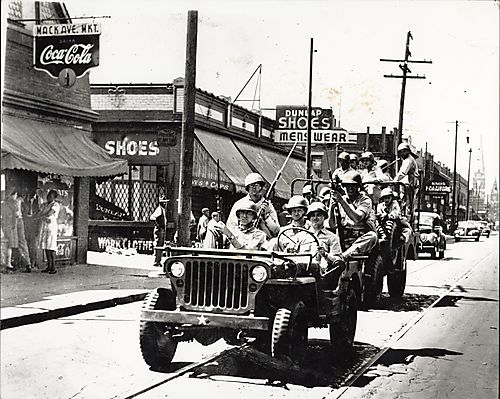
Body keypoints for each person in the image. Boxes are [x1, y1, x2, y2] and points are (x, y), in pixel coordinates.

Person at [329, 170, 378, 260]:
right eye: (347, 186)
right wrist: (331, 207)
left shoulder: (365, 200)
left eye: (353, 186)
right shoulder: (341, 199)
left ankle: (344, 256)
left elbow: (357, 218)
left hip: (360, 240)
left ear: (358, 186)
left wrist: (341, 201)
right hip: (343, 238)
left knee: (372, 236)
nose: (350, 188)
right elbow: (332, 225)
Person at [227, 173, 280, 239]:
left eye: (256, 185)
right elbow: (231, 226)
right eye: (251, 185)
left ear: (260, 187)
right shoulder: (240, 204)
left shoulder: (268, 206)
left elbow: (276, 230)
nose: (254, 187)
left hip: (264, 240)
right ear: (247, 187)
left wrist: (266, 217)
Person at [37, 189, 60, 274]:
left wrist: (43, 215)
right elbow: (40, 213)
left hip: (51, 227)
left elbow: (49, 213)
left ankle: (53, 266)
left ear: (54, 197)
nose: (48, 197)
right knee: (46, 246)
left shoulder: (56, 205)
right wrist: (42, 216)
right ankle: (49, 265)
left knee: (51, 246)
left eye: (50, 196)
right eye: (48, 196)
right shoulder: (45, 204)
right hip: (45, 226)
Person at [1, 190, 20, 272]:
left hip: (4, 225)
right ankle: (8, 263)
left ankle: (5, 262)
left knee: (5, 244)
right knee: (10, 245)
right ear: (13, 194)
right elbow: (17, 214)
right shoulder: (14, 203)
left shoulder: (3, 204)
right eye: (15, 194)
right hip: (11, 226)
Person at [150, 196, 169, 267]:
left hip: (162, 229)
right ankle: (156, 261)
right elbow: (152, 217)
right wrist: (157, 225)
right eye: (165, 202)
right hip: (160, 229)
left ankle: (158, 260)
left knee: (161, 244)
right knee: (158, 244)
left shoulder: (162, 210)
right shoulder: (159, 209)